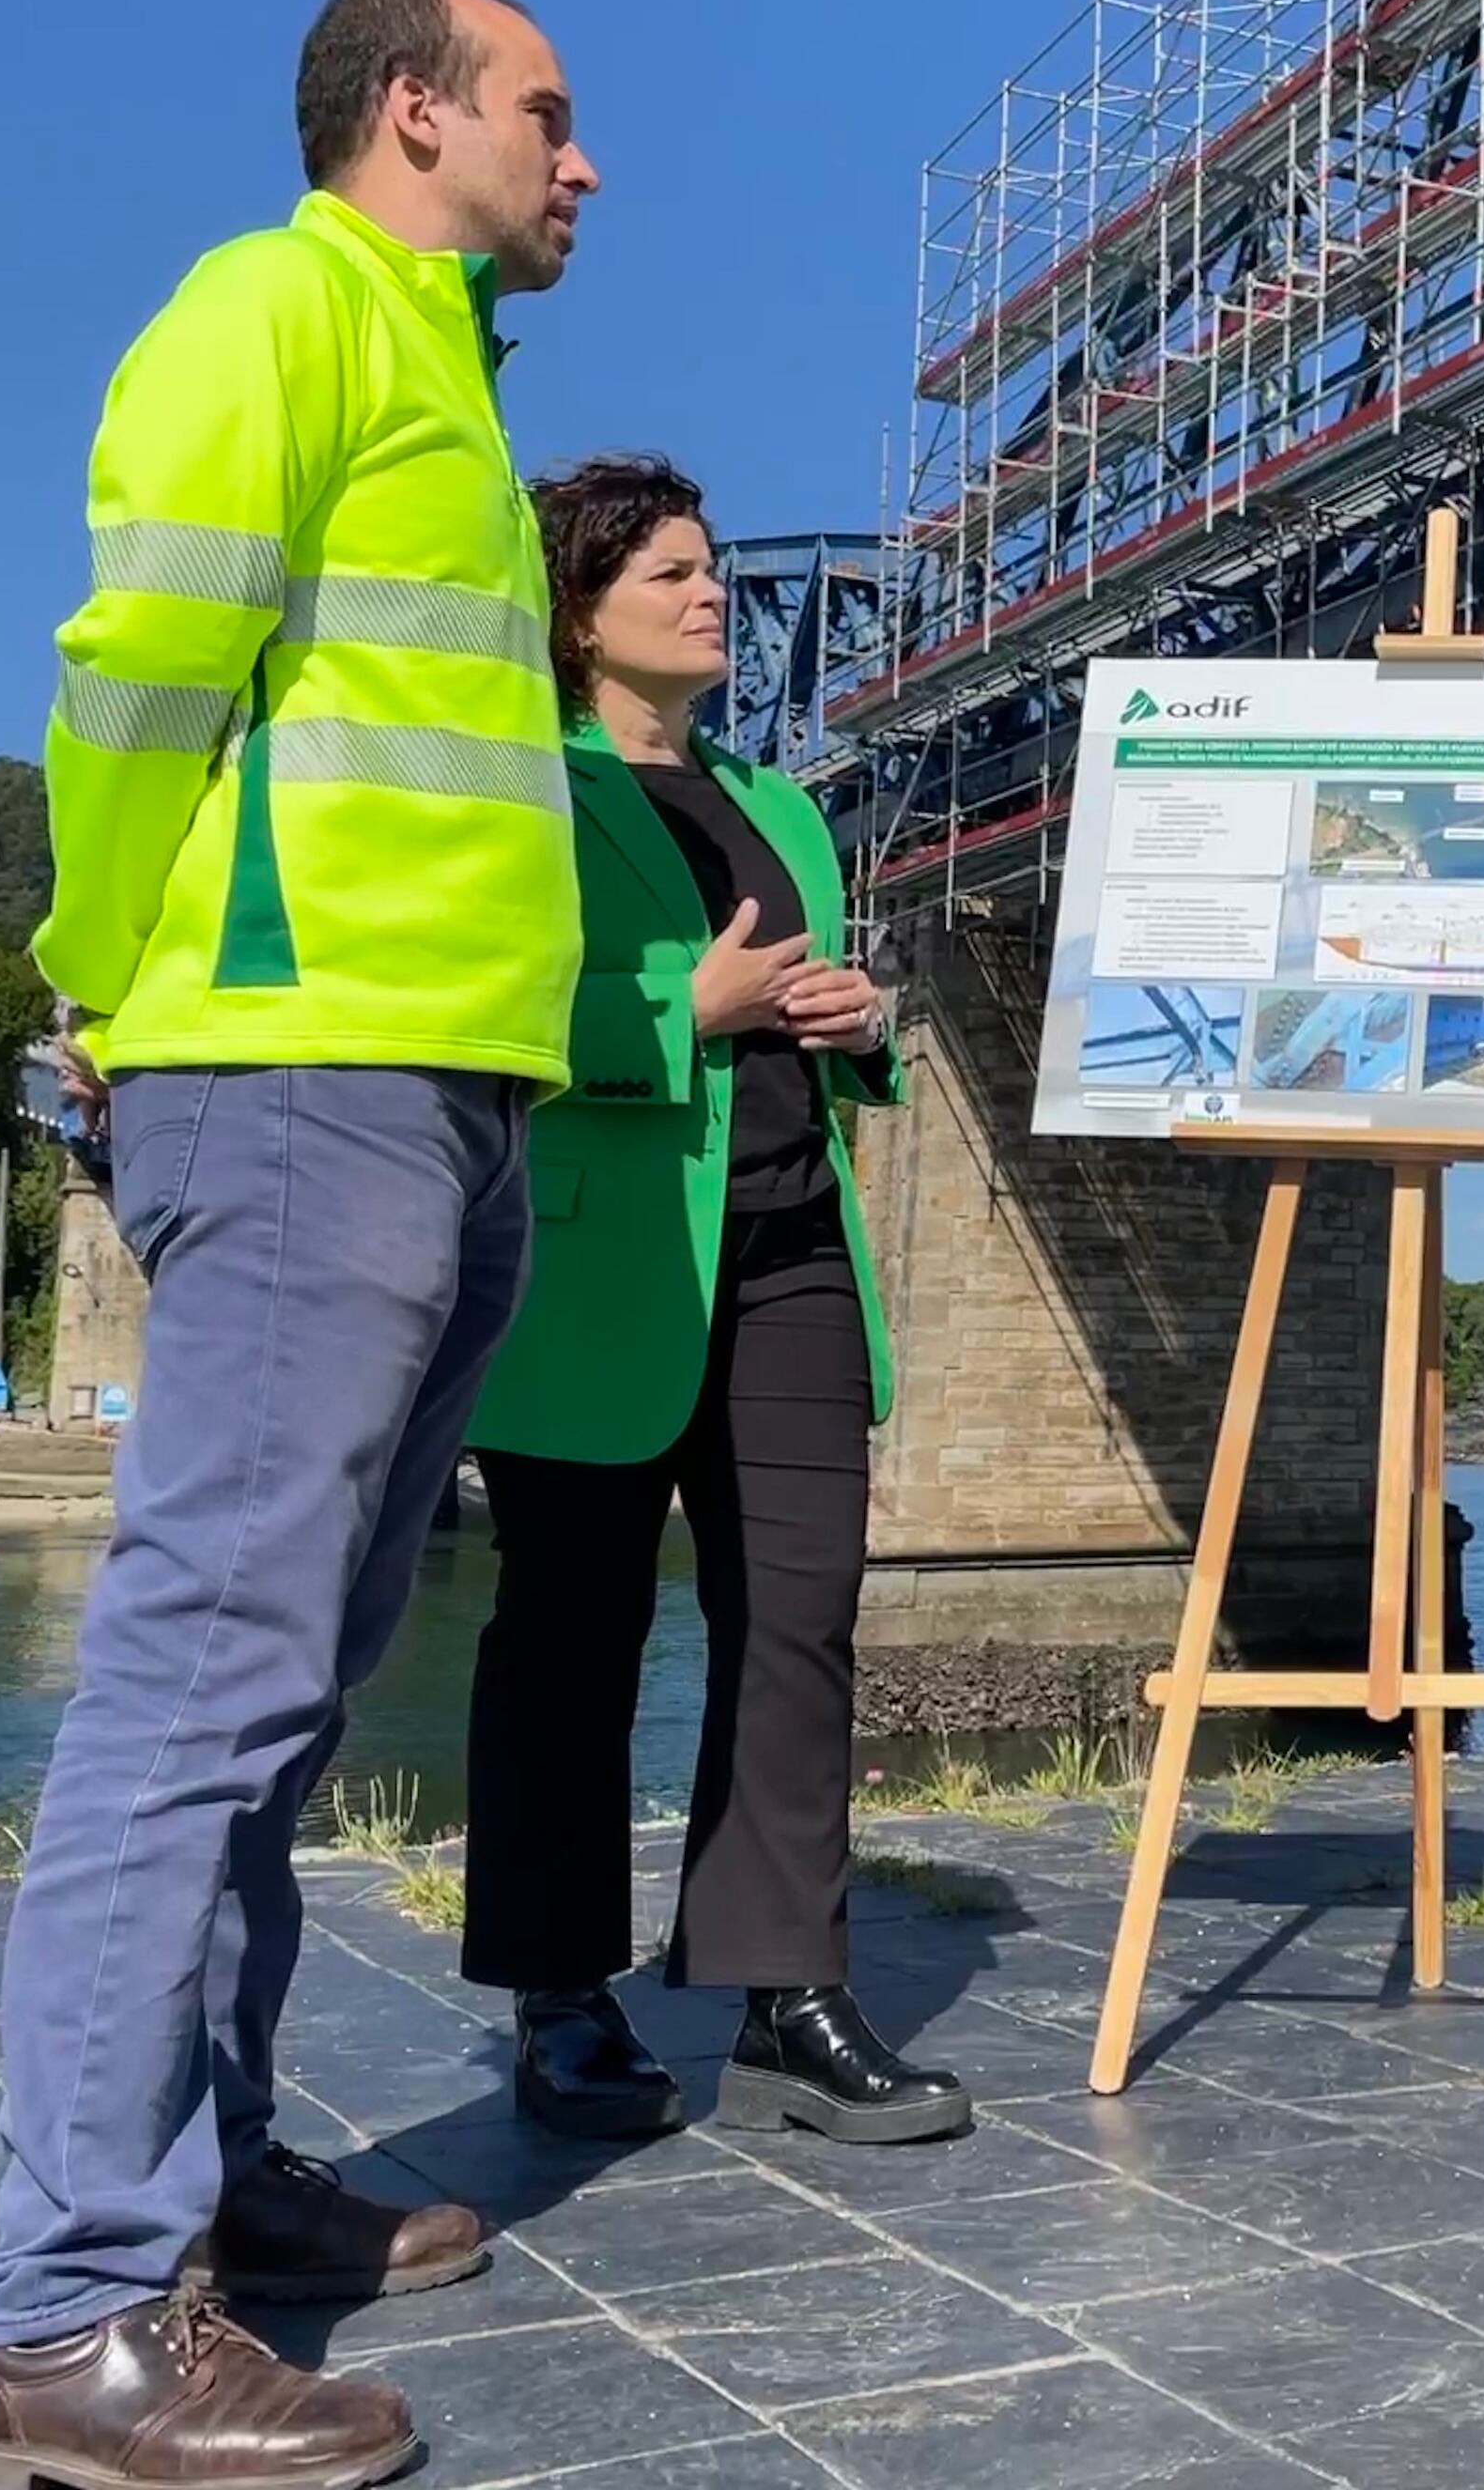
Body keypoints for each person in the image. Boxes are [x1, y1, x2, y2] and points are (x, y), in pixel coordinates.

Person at [0, 0, 597, 2490]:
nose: (585, 159)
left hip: (434, 1089)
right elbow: (138, 677)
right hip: (301, 1070)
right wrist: (105, 973)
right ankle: (63, 2312)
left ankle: (194, 2185)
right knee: (202, 1682)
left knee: (288, 1695)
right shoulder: (283, 306)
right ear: (412, 116)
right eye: (550, 112)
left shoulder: (438, 372)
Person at [456, 455, 971, 2150]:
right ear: (580, 617)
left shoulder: (787, 802)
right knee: (570, 1638)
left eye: (710, 568)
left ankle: (785, 1987)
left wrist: (860, 1023)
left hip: (794, 1253)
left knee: (800, 1627)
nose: (706, 595)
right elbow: (501, 1003)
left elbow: (830, 1016)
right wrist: (698, 994)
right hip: (602, 1272)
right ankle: (561, 1998)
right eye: (666, 572)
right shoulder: (523, 787)